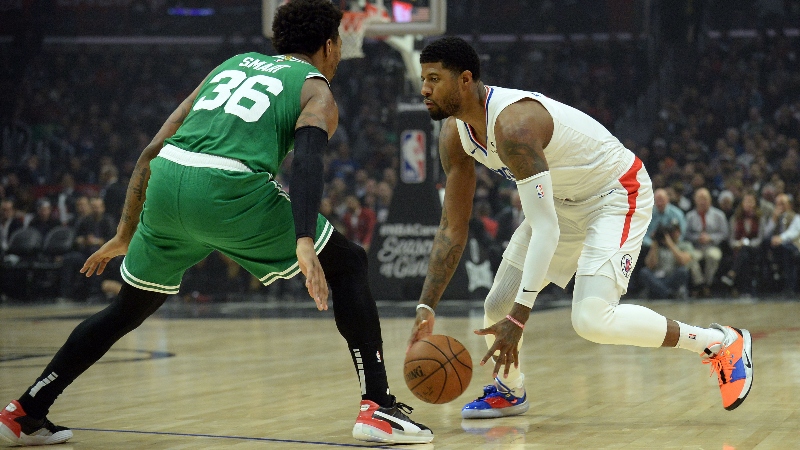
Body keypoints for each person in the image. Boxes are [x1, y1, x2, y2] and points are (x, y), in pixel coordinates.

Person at [0, 1, 432, 446]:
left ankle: (25, 410)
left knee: (125, 311)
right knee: (349, 262)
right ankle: (377, 408)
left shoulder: (229, 66)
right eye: (339, 43)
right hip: (227, 187)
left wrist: (124, 233)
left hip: (167, 181)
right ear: (328, 44)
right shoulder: (315, 90)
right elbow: (306, 164)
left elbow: (153, 147)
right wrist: (304, 239)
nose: (341, 53)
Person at [407, 36, 753, 421]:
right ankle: (510, 389)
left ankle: (720, 343)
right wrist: (426, 306)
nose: (424, 88)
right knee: (496, 304)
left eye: (434, 78)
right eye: (424, 78)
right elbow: (451, 229)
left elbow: (545, 230)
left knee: (591, 319)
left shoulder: (513, 126)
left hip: (616, 193)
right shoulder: (455, 136)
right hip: (562, 203)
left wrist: (520, 318)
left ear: (465, 80)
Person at [685, 188, 729, 297]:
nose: (702, 202)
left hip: (712, 246)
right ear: (695, 200)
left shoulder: (719, 215)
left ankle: (707, 284)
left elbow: (724, 233)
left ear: (710, 200)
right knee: (691, 258)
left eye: (705, 199)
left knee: (712, 256)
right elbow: (686, 234)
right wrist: (697, 238)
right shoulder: (690, 216)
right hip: (696, 247)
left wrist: (711, 238)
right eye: (700, 199)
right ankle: (700, 284)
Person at [720, 191, 765, 296]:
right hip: (738, 249)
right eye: (746, 201)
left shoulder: (760, 219)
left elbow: (760, 239)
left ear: (755, 204)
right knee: (744, 255)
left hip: (755, 249)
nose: (748, 204)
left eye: (751, 202)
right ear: (742, 203)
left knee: (745, 251)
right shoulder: (734, 219)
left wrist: (747, 243)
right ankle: (745, 289)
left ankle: (732, 274)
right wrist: (737, 244)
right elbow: (730, 240)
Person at [639, 220, 693, 299]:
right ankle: (668, 293)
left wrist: (670, 244)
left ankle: (662, 292)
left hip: (672, 278)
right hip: (657, 279)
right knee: (644, 272)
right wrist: (655, 243)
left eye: (675, 231)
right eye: (670, 232)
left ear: (679, 232)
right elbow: (650, 265)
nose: (672, 234)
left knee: (683, 271)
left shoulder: (685, 245)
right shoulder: (657, 246)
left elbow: (683, 261)